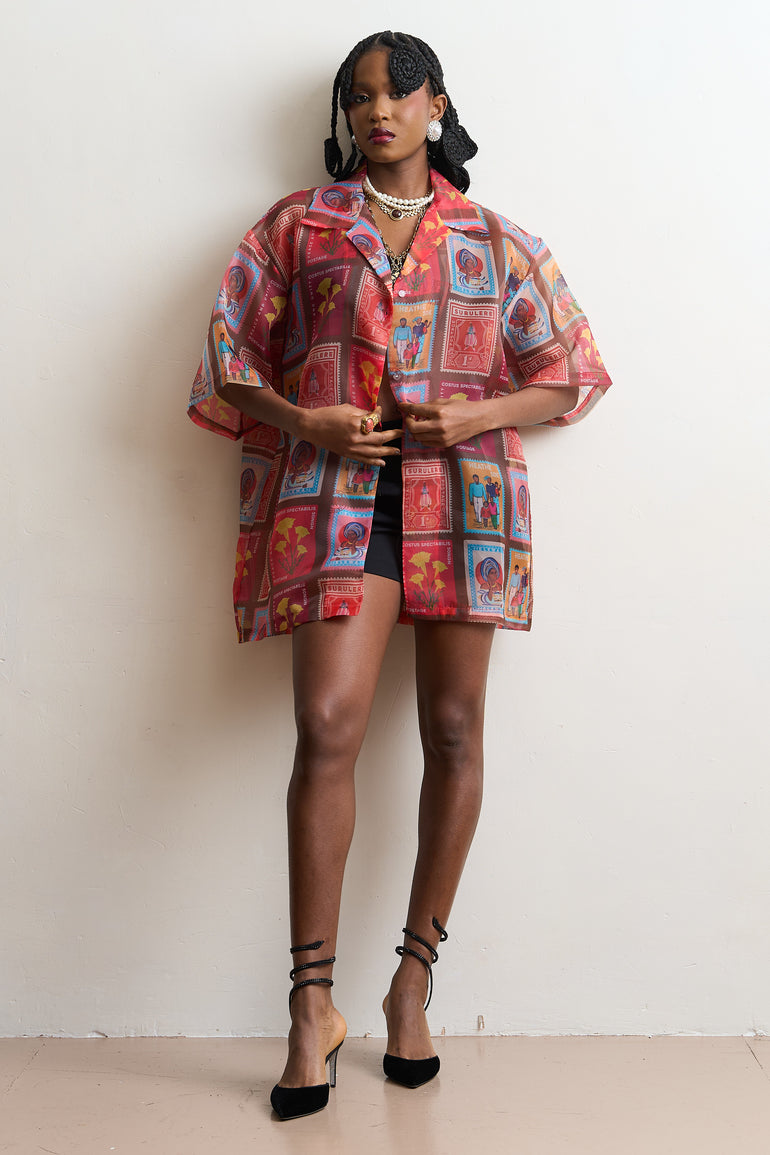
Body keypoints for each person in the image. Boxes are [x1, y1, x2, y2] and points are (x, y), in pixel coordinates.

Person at [187, 30, 611, 1121]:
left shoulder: (494, 239)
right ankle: (310, 1008)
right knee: (325, 724)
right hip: (337, 504)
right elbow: (228, 359)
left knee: (454, 731)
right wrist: (304, 419)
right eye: (360, 96)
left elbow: (570, 371)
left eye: (398, 91)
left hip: (463, 505)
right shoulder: (297, 227)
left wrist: (476, 413)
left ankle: (412, 981)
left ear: (436, 104)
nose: (378, 110)